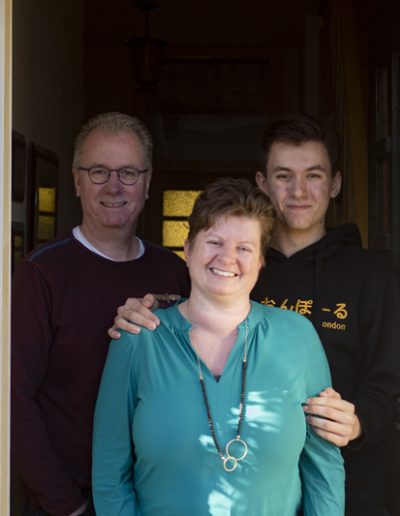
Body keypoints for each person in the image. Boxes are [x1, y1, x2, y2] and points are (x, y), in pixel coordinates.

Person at [111, 114, 400, 515]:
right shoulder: (237, 268)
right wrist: (148, 308)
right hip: (234, 475)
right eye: (283, 176)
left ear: (334, 184)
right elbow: (191, 311)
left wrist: (358, 423)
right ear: (263, 183)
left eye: (313, 176)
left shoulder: (371, 274)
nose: (299, 190)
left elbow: (389, 383)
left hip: (349, 479)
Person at [93, 177, 345, 515]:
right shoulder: (138, 338)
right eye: (214, 242)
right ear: (187, 249)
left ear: (260, 262)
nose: (227, 258)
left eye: (244, 248)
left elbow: (323, 467)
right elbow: (110, 471)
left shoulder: (298, 337)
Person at [11, 112, 190, 516]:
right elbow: (13, 400)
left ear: (146, 182)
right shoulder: (40, 275)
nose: (114, 187)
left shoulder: (173, 272)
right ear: (76, 180)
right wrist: (67, 506)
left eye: (128, 172)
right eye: (98, 172)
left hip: (156, 497)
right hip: (71, 502)